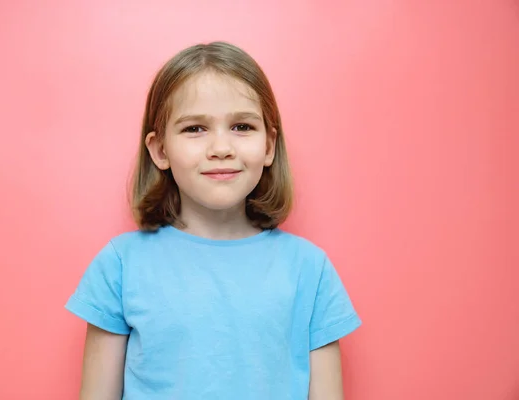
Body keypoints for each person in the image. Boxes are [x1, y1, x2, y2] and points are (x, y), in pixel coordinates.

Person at [65, 41, 361, 400]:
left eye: (241, 126)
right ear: (160, 150)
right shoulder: (121, 265)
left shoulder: (310, 270)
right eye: (194, 129)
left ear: (269, 146)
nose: (221, 147)